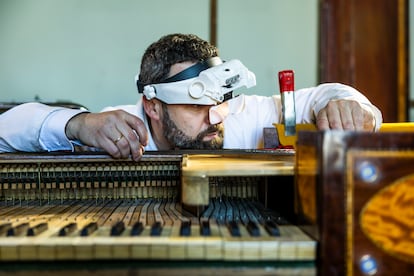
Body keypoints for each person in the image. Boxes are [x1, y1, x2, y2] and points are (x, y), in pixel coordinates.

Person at [0, 33, 382, 161]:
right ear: (152, 105)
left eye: (219, 103)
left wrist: (346, 104)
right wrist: (77, 122)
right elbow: (6, 128)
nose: (216, 117)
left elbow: (321, 96)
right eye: (196, 106)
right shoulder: (114, 130)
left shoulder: (246, 115)